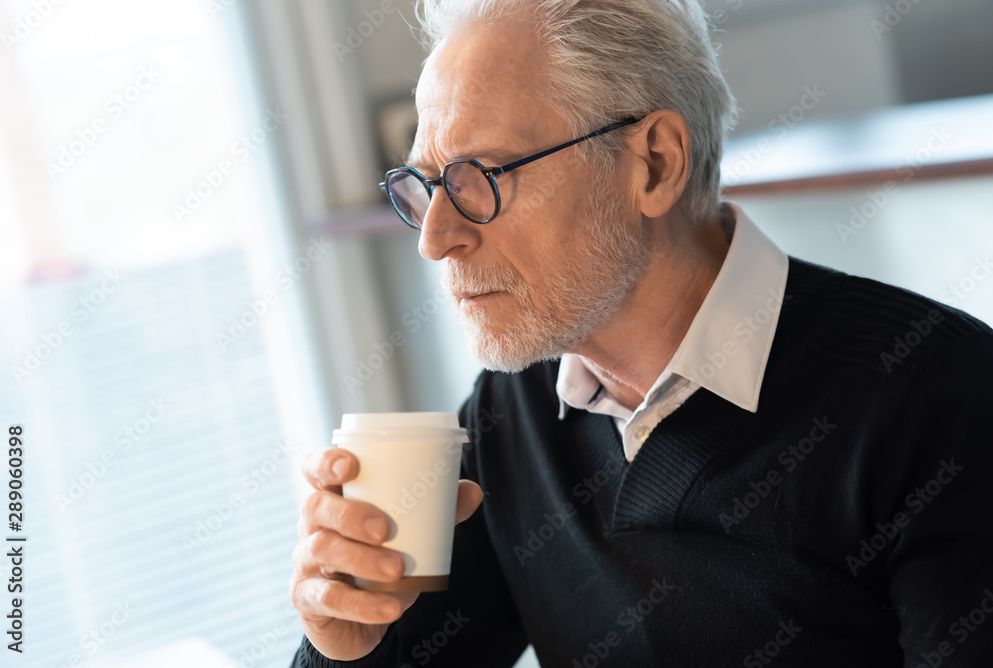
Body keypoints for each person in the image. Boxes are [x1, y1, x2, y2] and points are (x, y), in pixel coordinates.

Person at [289, 1, 993, 666]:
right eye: (427, 184)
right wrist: (345, 644)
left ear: (655, 163)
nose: (435, 239)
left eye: (481, 175)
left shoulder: (941, 399)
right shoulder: (514, 410)